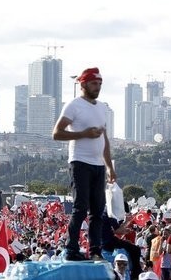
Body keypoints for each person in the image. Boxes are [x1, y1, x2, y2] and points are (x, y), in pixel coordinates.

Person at [52, 67, 117, 261]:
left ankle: (95, 250)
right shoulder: (74, 105)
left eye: (99, 84)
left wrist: (109, 167)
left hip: (98, 165)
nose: (97, 87)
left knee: (98, 210)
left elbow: (104, 140)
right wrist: (83, 134)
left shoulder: (102, 107)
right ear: (83, 84)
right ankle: (71, 249)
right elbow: (56, 133)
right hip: (79, 162)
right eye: (93, 83)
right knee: (80, 207)